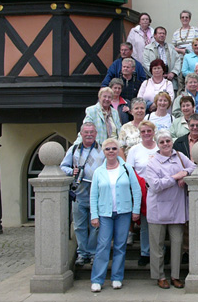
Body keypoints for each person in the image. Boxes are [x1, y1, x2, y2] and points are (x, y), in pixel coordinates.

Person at [144, 130, 196, 289]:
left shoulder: (180, 156)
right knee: (157, 246)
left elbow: (193, 166)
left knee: (177, 244)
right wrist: (175, 177)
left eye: (168, 141)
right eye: (162, 142)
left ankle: (175, 275)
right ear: (158, 145)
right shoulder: (152, 162)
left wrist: (185, 174)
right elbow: (156, 185)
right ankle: (159, 276)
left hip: (177, 208)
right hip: (158, 209)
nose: (166, 144)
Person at [89, 138, 142, 292]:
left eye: (113, 149)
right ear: (104, 152)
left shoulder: (126, 168)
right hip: (105, 213)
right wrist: (94, 215)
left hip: (124, 212)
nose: (111, 152)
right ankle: (97, 279)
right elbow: (94, 195)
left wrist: (136, 210)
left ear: (118, 150)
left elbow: (136, 190)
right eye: (108, 149)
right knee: (103, 246)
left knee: (120, 246)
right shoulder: (99, 172)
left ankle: (117, 277)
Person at [60, 122, 104, 266]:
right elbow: (63, 166)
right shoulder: (74, 150)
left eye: (92, 132)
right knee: (79, 226)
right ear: (81, 134)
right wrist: (70, 171)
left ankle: (92, 253)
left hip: (96, 192)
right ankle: (82, 253)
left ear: (96, 134)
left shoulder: (102, 149)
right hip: (79, 192)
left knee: (95, 225)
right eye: (86, 132)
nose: (89, 134)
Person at [125, 120, 158, 267]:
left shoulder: (159, 147)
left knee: (159, 224)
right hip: (142, 190)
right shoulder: (134, 150)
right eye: (143, 131)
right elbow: (130, 171)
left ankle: (159, 250)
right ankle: (145, 252)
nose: (146, 134)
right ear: (140, 133)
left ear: (153, 132)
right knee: (145, 224)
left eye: (149, 131)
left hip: (159, 190)